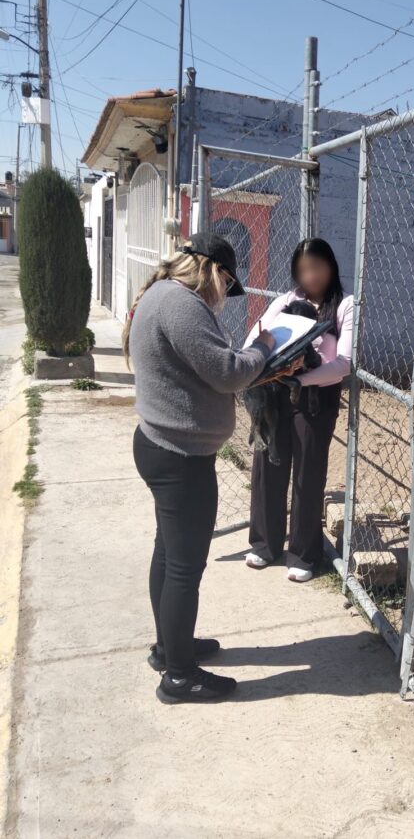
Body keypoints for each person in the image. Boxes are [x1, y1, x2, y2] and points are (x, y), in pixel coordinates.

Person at [125, 232, 277, 705]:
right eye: (226, 285)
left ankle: (170, 648)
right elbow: (228, 372)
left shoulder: (160, 294)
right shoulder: (182, 304)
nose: (223, 298)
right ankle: (179, 676)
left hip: (162, 446)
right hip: (180, 458)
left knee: (168, 556)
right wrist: (264, 349)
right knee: (184, 568)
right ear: (215, 271)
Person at [245, 238, 354, 582]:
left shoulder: (345, 305)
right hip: (275, 396)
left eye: (317, 267)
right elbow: (254, 339)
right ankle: (265, 544)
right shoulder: (286, 301)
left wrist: (301, 380)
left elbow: (344, 363)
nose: (311, 276)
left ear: (331, 266)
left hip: (315, 401)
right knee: (268, 468)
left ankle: (304, 554)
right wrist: (274, 369)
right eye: (303, 269)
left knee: (308, 473)